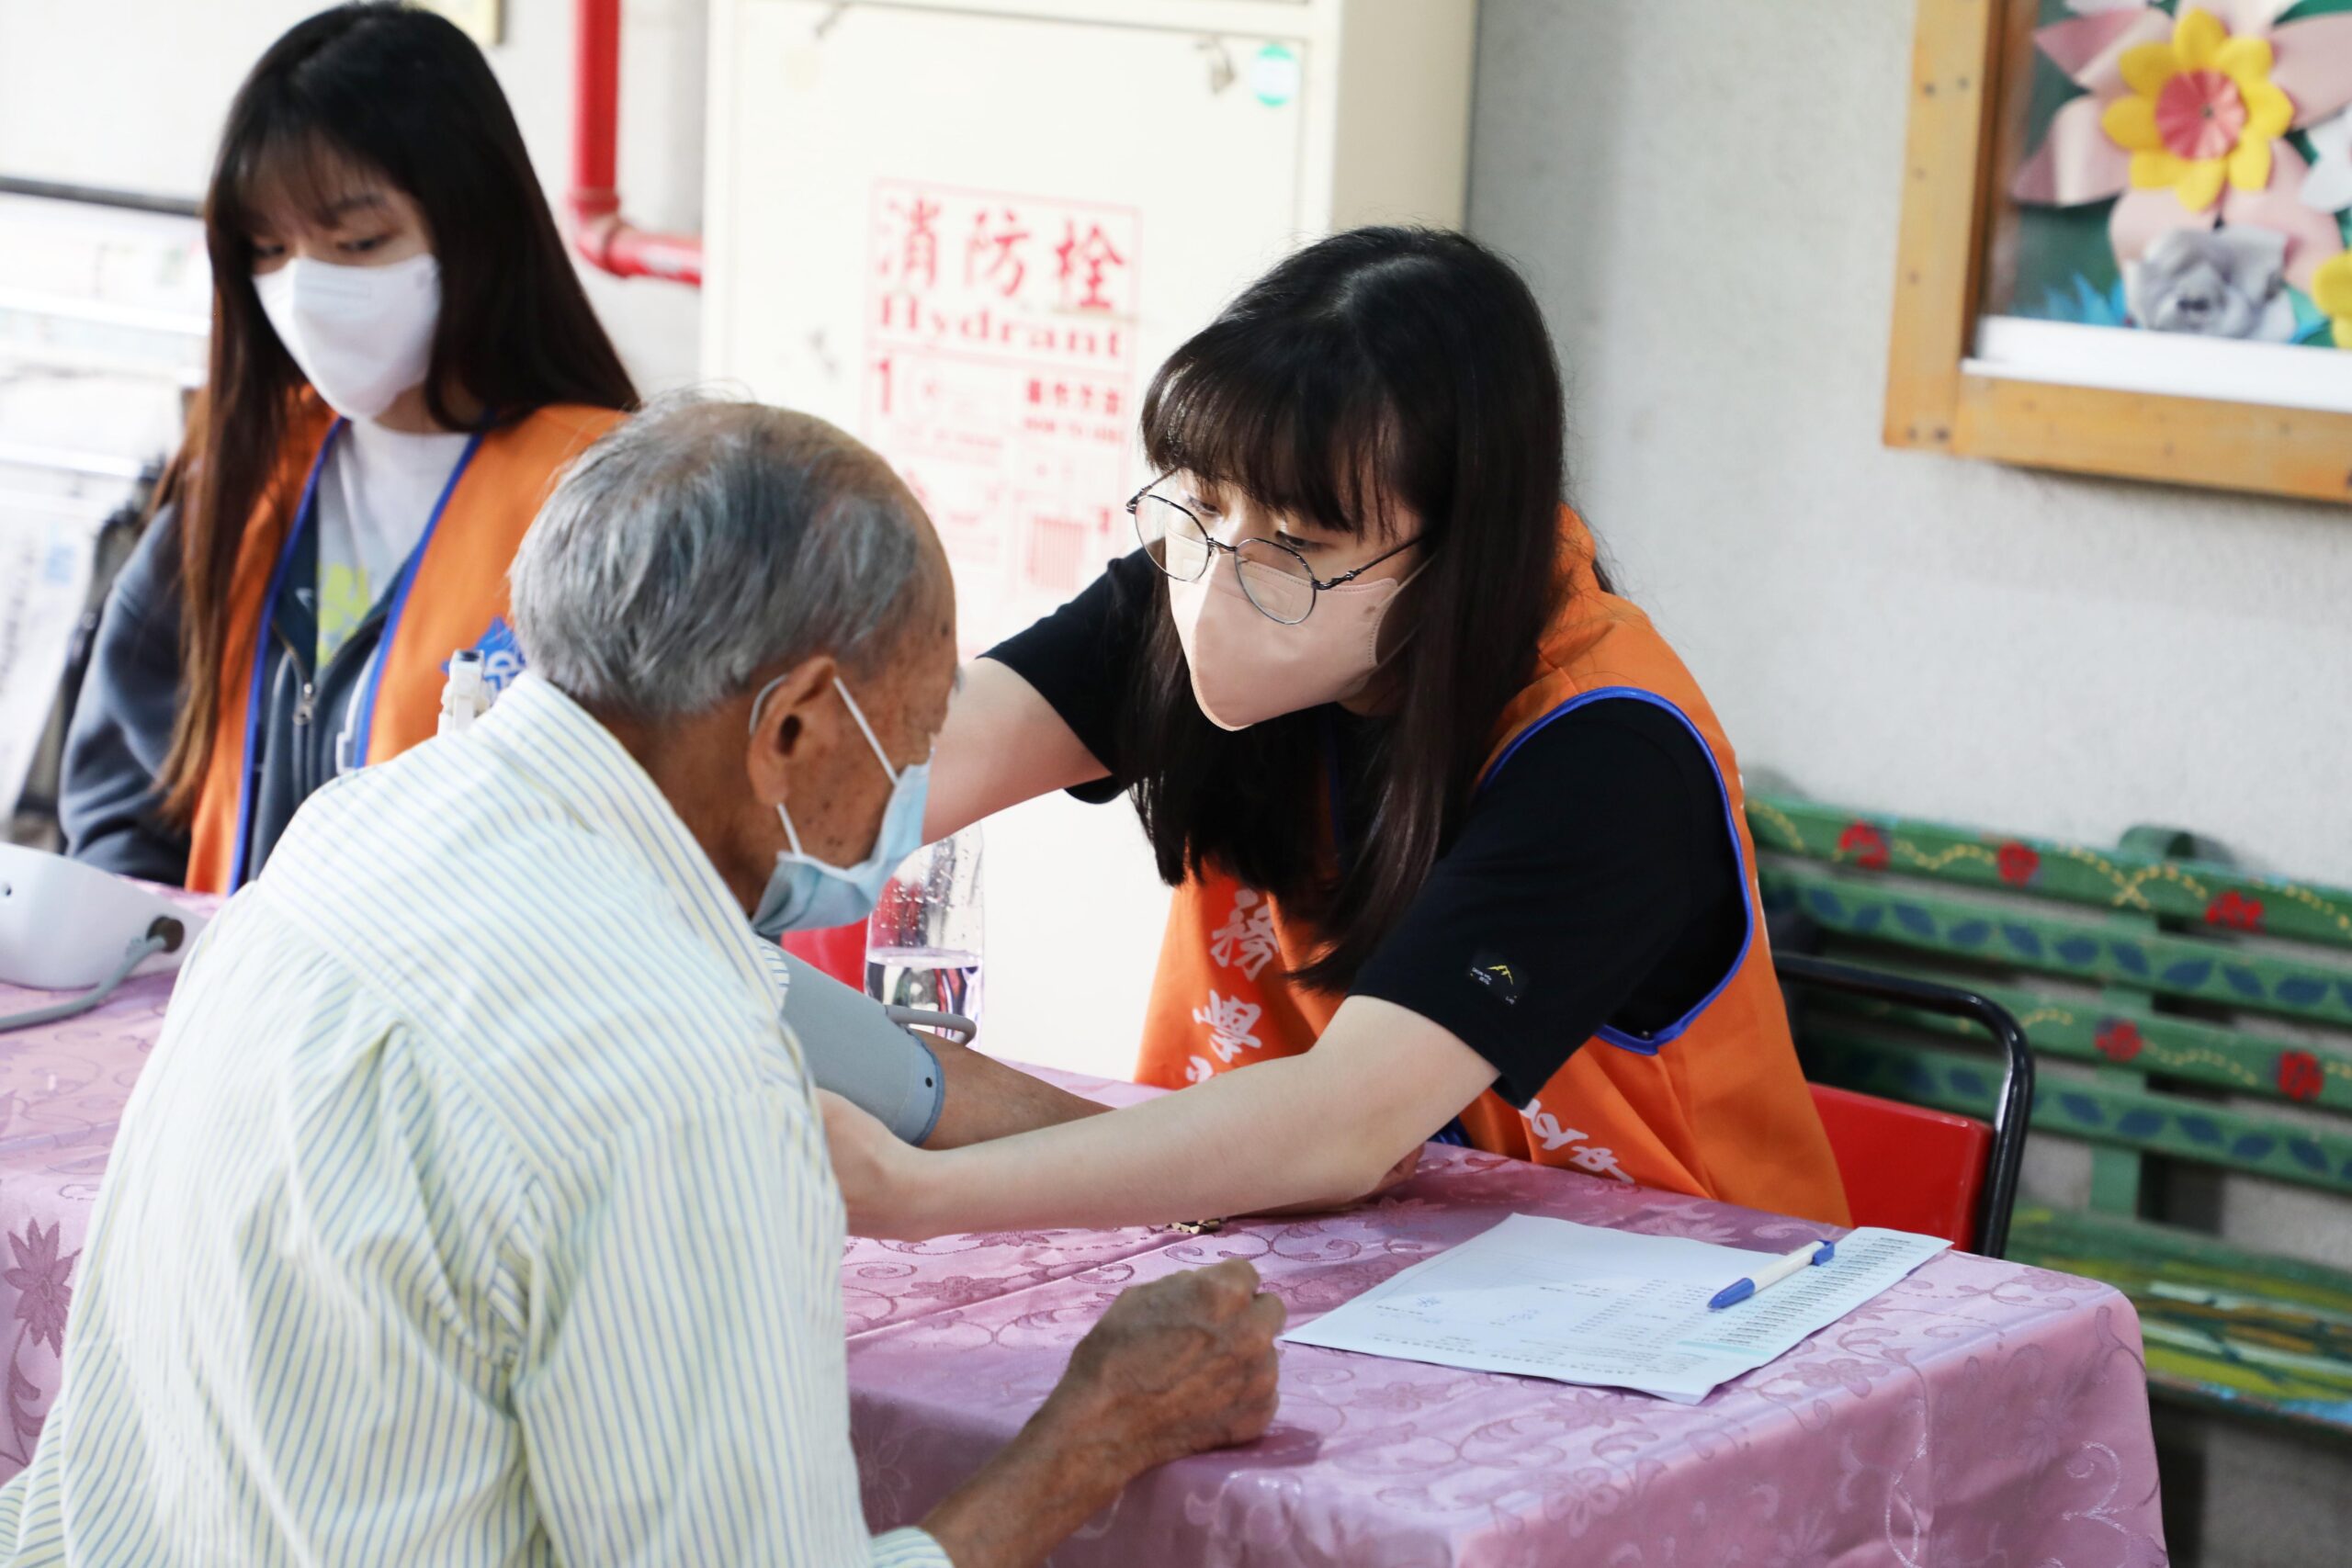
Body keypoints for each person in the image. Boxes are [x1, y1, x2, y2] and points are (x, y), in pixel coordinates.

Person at [0, 400, 1283, 1567]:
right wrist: (1095, 1429)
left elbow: (860, 1049)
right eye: (920, 722)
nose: (921, 771)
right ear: (791, 726)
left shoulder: (355, 827)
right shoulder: (680, 1072)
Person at [831, 226, 1852, 1237]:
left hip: (1669, 1302)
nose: (1214, 592)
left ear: (1457, 553)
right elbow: (895, 768)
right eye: (1203, 498)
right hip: (1302, 1240)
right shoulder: (1202, 568)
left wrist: (917, 1193)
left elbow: (1344, 1125)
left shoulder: (1609, 755)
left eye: (1301, 544)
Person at [61, 3, 635, 893]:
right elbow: (124, 804)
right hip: (230, 1015)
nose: (307, 289)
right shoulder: (247, 481)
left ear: (473, 226)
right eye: (268, 248)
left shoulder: (607, 502)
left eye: (359, 242)